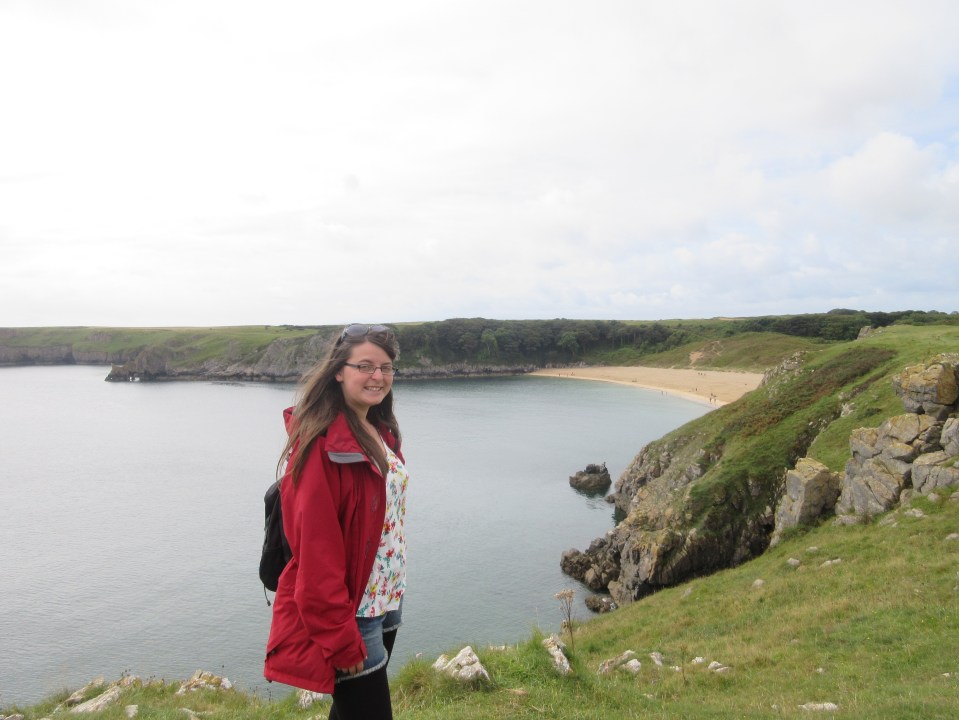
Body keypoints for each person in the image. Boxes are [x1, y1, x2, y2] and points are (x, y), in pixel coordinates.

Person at [264, 323, 409, 720]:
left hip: (384, 598)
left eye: (386, 368)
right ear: (339, 371)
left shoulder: (377, 430)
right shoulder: (319, 449)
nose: (378, 377)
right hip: (351, 615)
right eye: (365, 366)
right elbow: (316, 556)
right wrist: (340, 639)